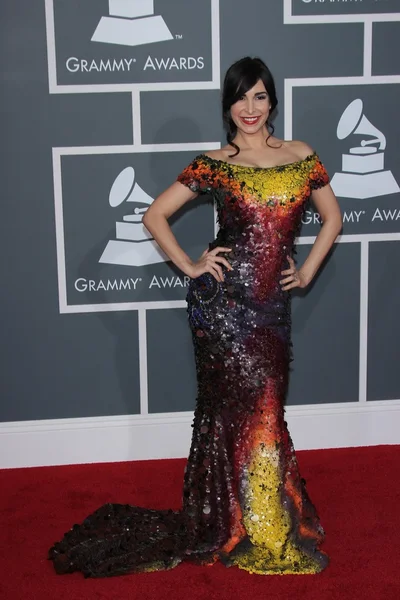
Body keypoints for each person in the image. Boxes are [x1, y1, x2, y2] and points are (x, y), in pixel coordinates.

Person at [48, 56, 342, 577]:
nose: (249, 108)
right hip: (222, 311)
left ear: (272, 100)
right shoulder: (214, 161)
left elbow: (333, 217)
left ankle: (254, 516)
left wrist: (310, 269)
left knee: (266, 408)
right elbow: (154, 215)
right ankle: (250, 524)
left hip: (271, 310)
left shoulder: (301, 155)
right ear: (226, 104)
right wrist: (191, 265)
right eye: (239, 97)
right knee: (233, 414)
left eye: (259, 96)